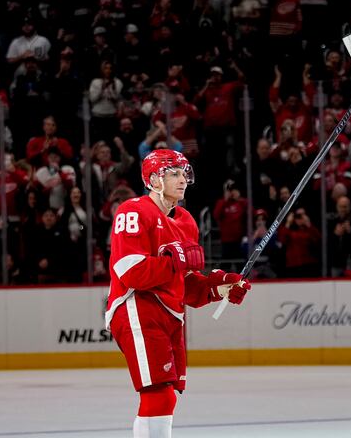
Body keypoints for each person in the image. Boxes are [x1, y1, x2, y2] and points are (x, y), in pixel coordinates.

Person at [105, 149, 251, 438]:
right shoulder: (133, 210)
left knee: (166, 396)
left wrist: (219, 286)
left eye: (184, 172)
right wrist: (177, 261)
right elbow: (130, 270)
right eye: (173, 173)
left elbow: (185, 285)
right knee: (158, 393)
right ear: (153, 179)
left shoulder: (186, 221)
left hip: (170, 314)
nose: (182, 178)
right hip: (136, 306)